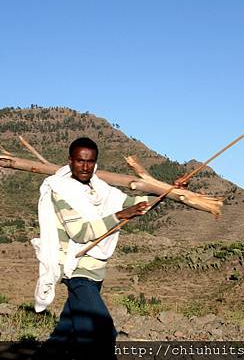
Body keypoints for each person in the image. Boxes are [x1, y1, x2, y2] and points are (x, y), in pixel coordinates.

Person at [32, 137, 149, 359]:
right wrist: (120, 216)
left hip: (96, 272)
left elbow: (135, 203)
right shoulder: (61, 190)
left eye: (90, 161)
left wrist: (170, 191)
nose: (85, 167)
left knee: (65, 333)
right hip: (77, 270)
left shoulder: (100, 189)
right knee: (102, 330)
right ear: (70, 161)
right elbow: (80, 232)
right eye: (80, 161)